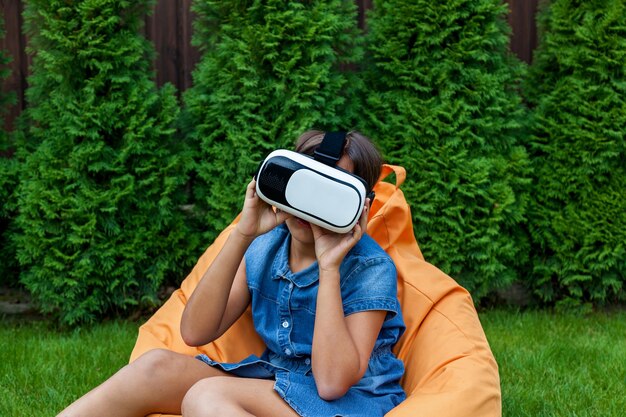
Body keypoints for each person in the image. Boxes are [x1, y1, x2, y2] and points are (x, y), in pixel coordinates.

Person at [57, 130, 406, 417]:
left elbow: (332, 384)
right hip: (279, 380)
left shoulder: (370, 268)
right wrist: (243, 232)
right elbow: (195, 331)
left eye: (327, 195)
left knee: (205, 396)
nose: (309, 208)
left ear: (358, 205)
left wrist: (329, 266)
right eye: (305, 187)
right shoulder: (269, 245)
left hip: (349, 403)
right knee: (154, 367)